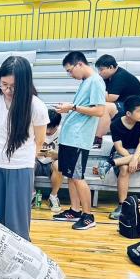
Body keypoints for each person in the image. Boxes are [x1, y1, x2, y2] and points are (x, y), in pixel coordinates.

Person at [0, 56, 49, 240]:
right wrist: (1, 152)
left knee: (16, 221)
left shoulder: (36, 106)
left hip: (21, 167)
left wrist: (22, 160)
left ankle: (18, 259)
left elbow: (39, 141)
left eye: (13, 86)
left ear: (25, 84)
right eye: (4, 84)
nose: (8, 90)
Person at [54, 52, 106, 230]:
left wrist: (73, 107)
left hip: (78, 138)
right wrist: (69, 108)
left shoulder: (96, 81)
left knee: (77, 177)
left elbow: (99, 111)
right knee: (70, 175)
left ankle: (88, 215)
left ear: (79, 65)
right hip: (70, 137)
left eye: (70, 71)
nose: (70, 75)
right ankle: (75, 210)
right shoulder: (86, 82)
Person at [98, 96, 140, 220]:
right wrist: (131, 160)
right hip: (122, 154)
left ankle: (110, 163)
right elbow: (119, 148)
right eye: (139, 111)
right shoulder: (115, 125)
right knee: (124, 168)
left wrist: (136, 159)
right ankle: (122, 206)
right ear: (128, 113)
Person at [94, 54, 140, 148]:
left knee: (105, 107)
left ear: (111, 67)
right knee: (95, 106)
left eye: (101, 69)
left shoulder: (120, 76)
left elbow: (111, 98)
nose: (99, 73)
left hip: (133, 108)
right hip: (123, 104)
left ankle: (98, 140)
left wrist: (96, 90)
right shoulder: (108, 77)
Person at [34, 109, 63, 212]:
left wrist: (53, 154)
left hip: (52, 164)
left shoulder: (63, 132)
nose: (48, 131)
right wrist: (51, 152)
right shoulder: (36, 128)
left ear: (57, 125)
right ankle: (32, 194)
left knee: (60, 164)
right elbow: (30, 151)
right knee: (28, 162)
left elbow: (65, 156)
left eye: (51, 128)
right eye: (47, 127)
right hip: (36, 162)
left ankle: (53, 196)